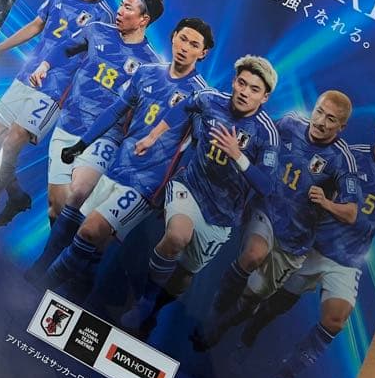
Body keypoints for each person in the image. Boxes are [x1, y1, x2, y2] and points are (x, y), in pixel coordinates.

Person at [37, 55, 280, 311]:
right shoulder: (210, 99)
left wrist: (237, 155)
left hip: (222, 213)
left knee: (183, 276)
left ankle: (147, 306)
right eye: (242, 83)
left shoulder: (266, 132)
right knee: (173, 236)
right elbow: (182, 107)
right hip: (189, 187)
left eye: (254, 89)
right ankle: (45, 283)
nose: (244, 92)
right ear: (234, 82)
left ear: (264, 97)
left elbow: (266, 186)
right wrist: (153, 136)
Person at [248, 110, 375, 378]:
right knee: (277, 303)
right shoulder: (351, 157)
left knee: (335, 320)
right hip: (315, 247)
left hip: (348, 261)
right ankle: (247, 336)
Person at [24, 18, 213, 287]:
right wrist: (81, 145)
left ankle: (41, 285)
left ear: (202, 53)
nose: (185, 47)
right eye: (182, 39)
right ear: (173, 37)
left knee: (91, 231)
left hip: (146, 183)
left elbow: (198, 149)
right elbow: (115, 112)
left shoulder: (201, 96)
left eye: (194, 45)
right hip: (117, 167)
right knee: (84, 227)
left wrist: (172, 196)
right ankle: (69, 280)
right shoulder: (146, 73)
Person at [188, 91, 360, 351]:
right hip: (267, 211)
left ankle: (223, 326)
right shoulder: (289, 124)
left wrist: (327, 203)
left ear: (342, 127)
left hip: (295, 240)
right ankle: (211, 318)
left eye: (331, 119)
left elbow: (351, 213)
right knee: (253, 254)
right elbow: (261, 141)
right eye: (319, 112)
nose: (321, 122)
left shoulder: (343, 160)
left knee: (253, 295)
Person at [0, 0, 116, 224]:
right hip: (27, 76)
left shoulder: (104, 18)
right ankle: (16, 196)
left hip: (56, 89)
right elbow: (36, 25)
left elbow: (94, 65)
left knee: (13, 140)